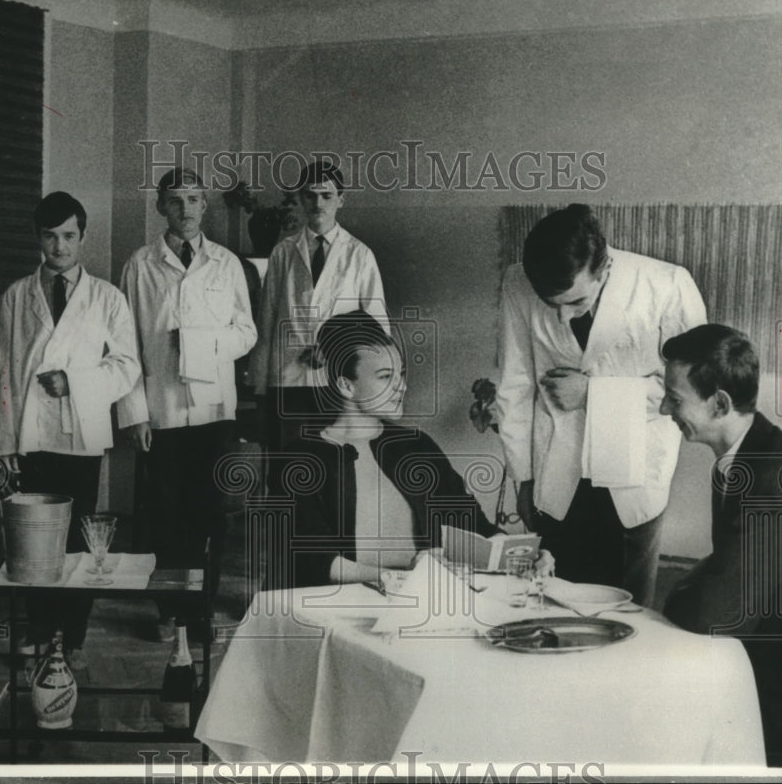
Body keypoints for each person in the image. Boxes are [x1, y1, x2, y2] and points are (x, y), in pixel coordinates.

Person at [660, 324, 782, 766]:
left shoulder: (775, 477)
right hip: (761, 658)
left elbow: (718, 614)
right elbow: (727, 576)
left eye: (675, 398)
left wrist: (675, 595)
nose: (663, 407)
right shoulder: (748, 456)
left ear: (720, 403)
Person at [495, 204, 706, 606]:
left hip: (633, 475)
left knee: (626, 612)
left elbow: (689, 389)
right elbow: (514, 385)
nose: (561, 316)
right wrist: (522, 478)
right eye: (550, 303)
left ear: (603, 268)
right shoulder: (517, 281)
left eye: (575, 302)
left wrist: (593, 393)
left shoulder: (667, 285)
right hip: (557, 472)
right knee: (553, 604)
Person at [0, 192, 141, 668]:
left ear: (83, 237)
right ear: (38, 237)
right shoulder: (16, 295)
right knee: (35, 539)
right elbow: (3, 374)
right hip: (31, 435)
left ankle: (70, 639)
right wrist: (4, 442)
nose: (59, 246)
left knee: (78, 539)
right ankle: (37, 631)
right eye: (50, 236)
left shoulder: (107, 297)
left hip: (81, 433)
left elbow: (127, 366)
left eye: (69, 236)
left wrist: (73, 381)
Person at [118, 167, 256, 640]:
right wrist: (134, 413)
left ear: (205, 205)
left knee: (210, 511)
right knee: (166, 513)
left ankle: (201, 609)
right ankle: (168, 611)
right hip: (163, 409)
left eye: (195, 199)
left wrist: (200, 344)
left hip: (215, 410)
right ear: (161, 207)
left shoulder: (226, 263)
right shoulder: (140, 264)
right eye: (176, 200)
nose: (187, 209)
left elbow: (247, 332)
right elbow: (127, 343)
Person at [272, 310, 500, 589]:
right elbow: (314, 560)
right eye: (385, 377)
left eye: (401, 374)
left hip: (422, 597)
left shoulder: (417, 446)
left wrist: (518, 552)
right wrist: (399, 578)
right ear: (346, 385)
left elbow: (474, 525)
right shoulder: (301, 458)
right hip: (343, 601)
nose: (401, 387)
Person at [248, 161, 389, 491]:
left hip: (338, 382)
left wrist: (333, 349)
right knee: (289, 472)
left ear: (341, 199)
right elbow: (267, 323)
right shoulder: (283, 252)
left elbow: (376, 327)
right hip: (289, 382)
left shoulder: (359, 255)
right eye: (310, 196)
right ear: (300, 199)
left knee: (335, 471)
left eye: (327, 195)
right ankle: (287, 543)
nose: (318, 204)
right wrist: (260, 390)